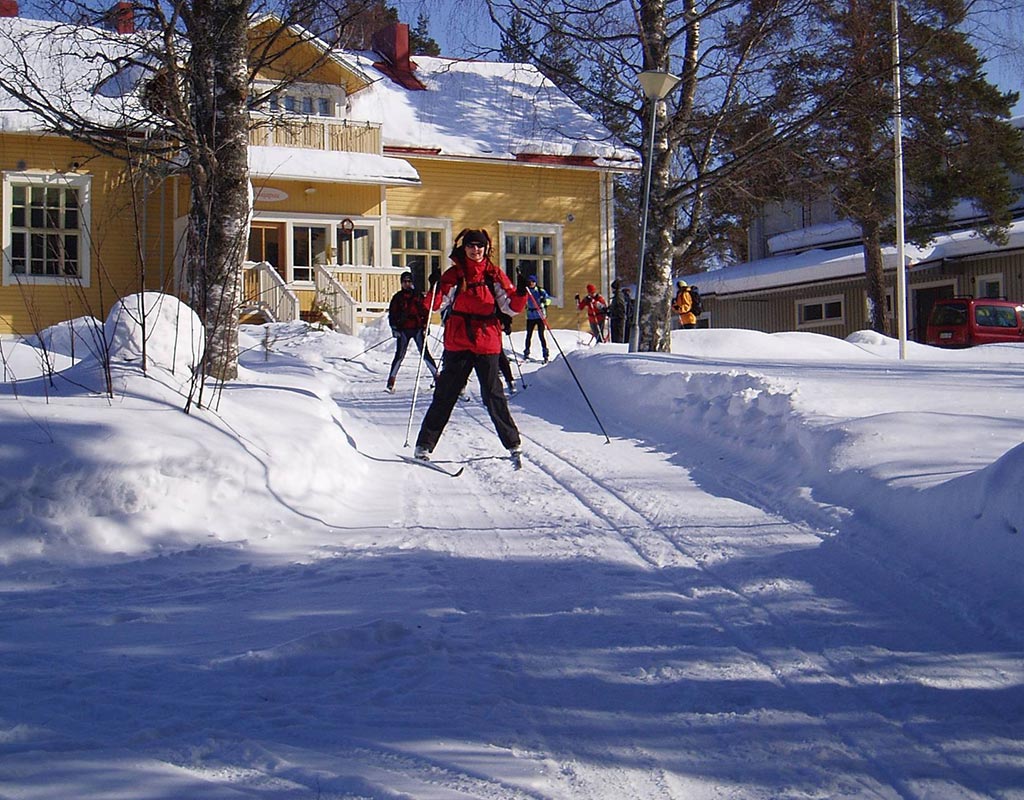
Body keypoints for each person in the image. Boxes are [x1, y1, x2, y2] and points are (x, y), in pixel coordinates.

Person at [414, 228, 529, 465]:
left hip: (487, 341)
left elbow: (510, 308)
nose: (475, 250)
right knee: (446, 394)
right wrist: (434, 287)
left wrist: (520, 292)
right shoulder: (454, 274)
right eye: (470, 245)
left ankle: (512, 443)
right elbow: (435, 305)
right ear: (463, 247)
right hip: (459, 341)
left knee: (493, 395)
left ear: (486, 249)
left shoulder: (493, 274)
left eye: (479, 246)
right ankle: (424, 445)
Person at [385, 271, 438, 392]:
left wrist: (426, 326)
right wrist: (394, 328)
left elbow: (425, 311)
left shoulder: (418, 296)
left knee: (424, 353)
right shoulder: (397, 297)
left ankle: (437, 376)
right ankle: (391, 380)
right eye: (404, 282)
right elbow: (392, 314)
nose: (407, 284)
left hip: (417, 328)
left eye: (409, 281)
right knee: (399, 355)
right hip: (403, 330)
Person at [522, 274, 551, 362]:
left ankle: (545, 354)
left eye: (533, 282)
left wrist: (544, 301)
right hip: (530, 316)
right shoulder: (526, 291)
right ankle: (526, 352)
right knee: (529, 335)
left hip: (539, 315)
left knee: (541, 335)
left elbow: (548, 299)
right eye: (530, 282)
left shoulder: (540, 291)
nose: (531, 283)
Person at [498, 312, 517, 395]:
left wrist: (507, 325)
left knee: (500, 357)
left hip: (492, 334)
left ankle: (510, 381)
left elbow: (504, 312)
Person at [607, 279, 627, 343]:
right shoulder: (617, 296)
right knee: (616, 337)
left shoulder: (618, 297)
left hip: (618, 320)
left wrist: (612, 313)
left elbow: (620, 308)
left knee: (617, 338)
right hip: (616, 319)